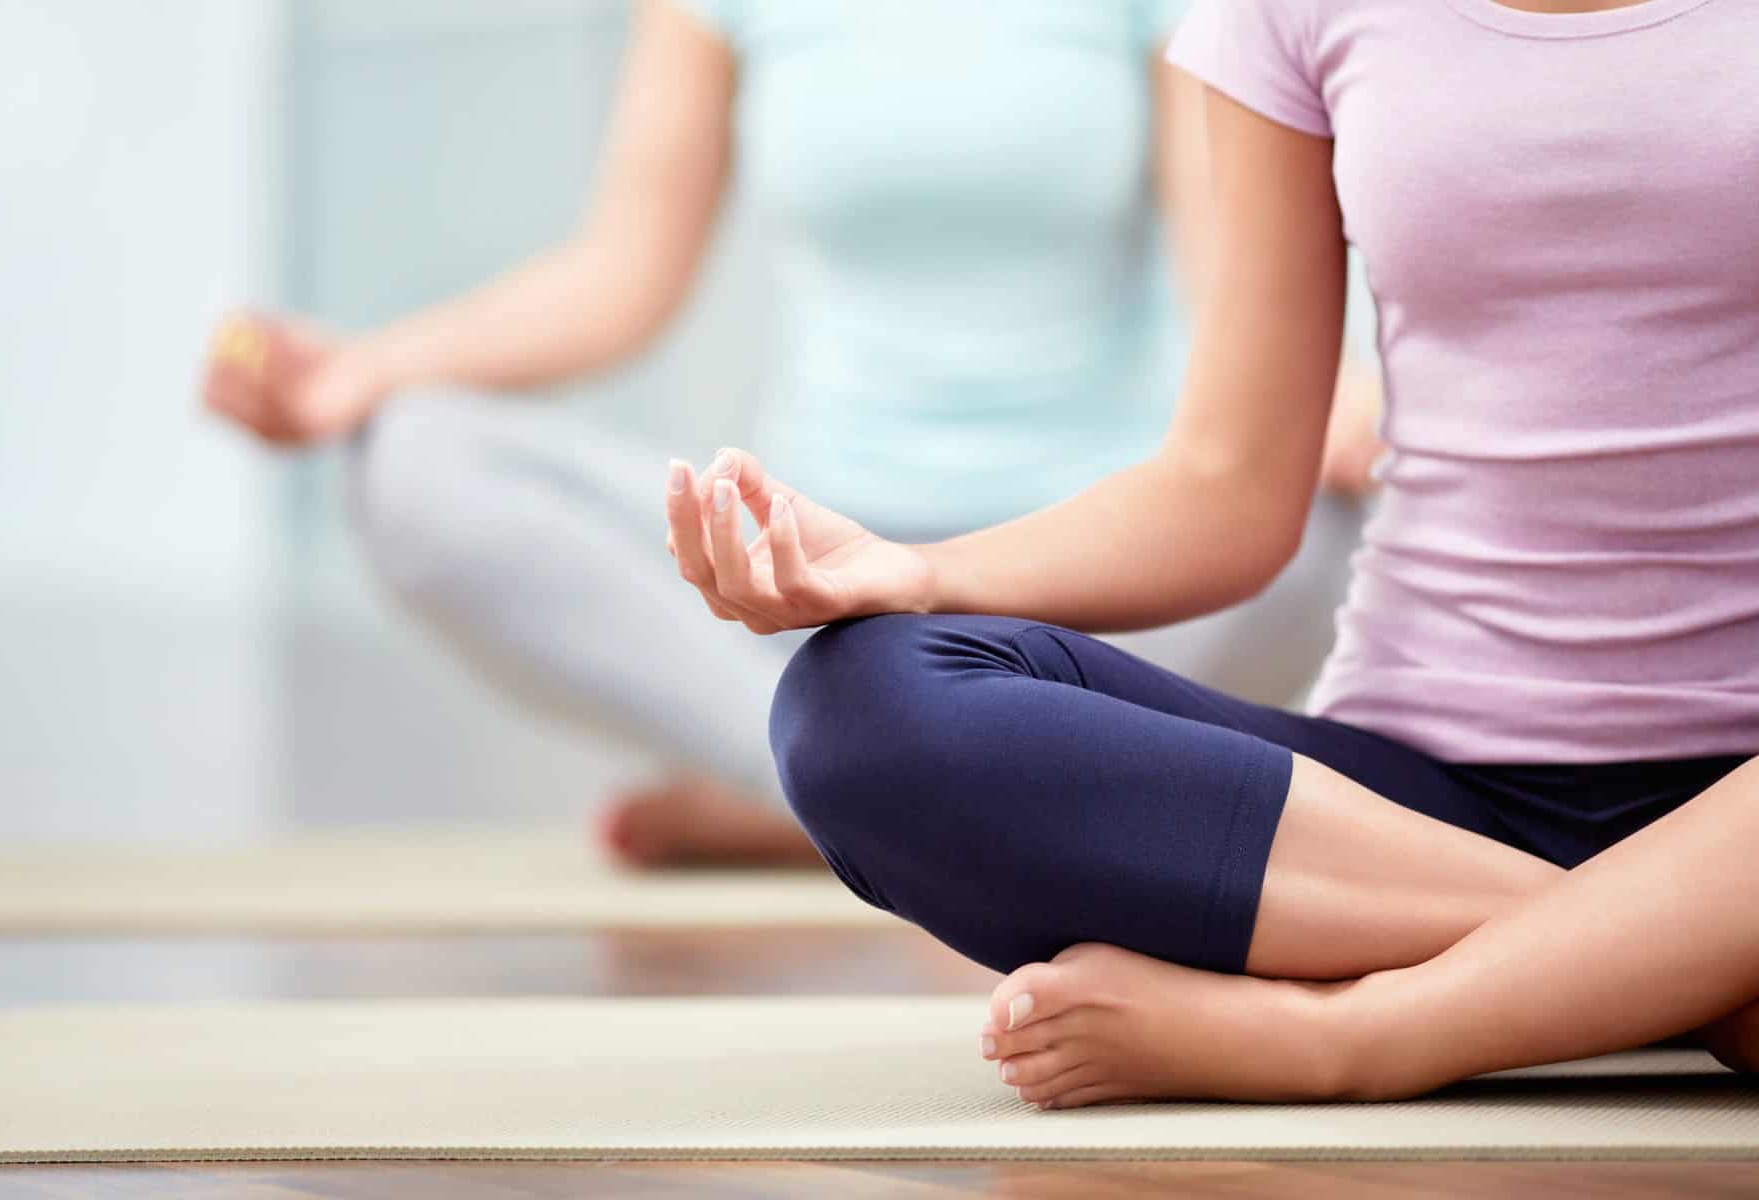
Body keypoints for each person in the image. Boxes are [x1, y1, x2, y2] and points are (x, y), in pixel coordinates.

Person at [662, 0, 1759, 1107]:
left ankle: (1359, 1032)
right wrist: (920, 575)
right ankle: (1681, 968)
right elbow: (1227, 491)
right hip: (1412, 816)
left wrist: (1350, 1033)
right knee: (862, 708)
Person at [202, 0, 1384, 868]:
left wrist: (1375, 423)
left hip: (1099, 577)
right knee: (417, 465)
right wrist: (357, 375)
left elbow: (1224, 281)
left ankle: (835, 787)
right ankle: (879, 782)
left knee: (1314, 528)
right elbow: (620, 278)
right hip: (817, 579)